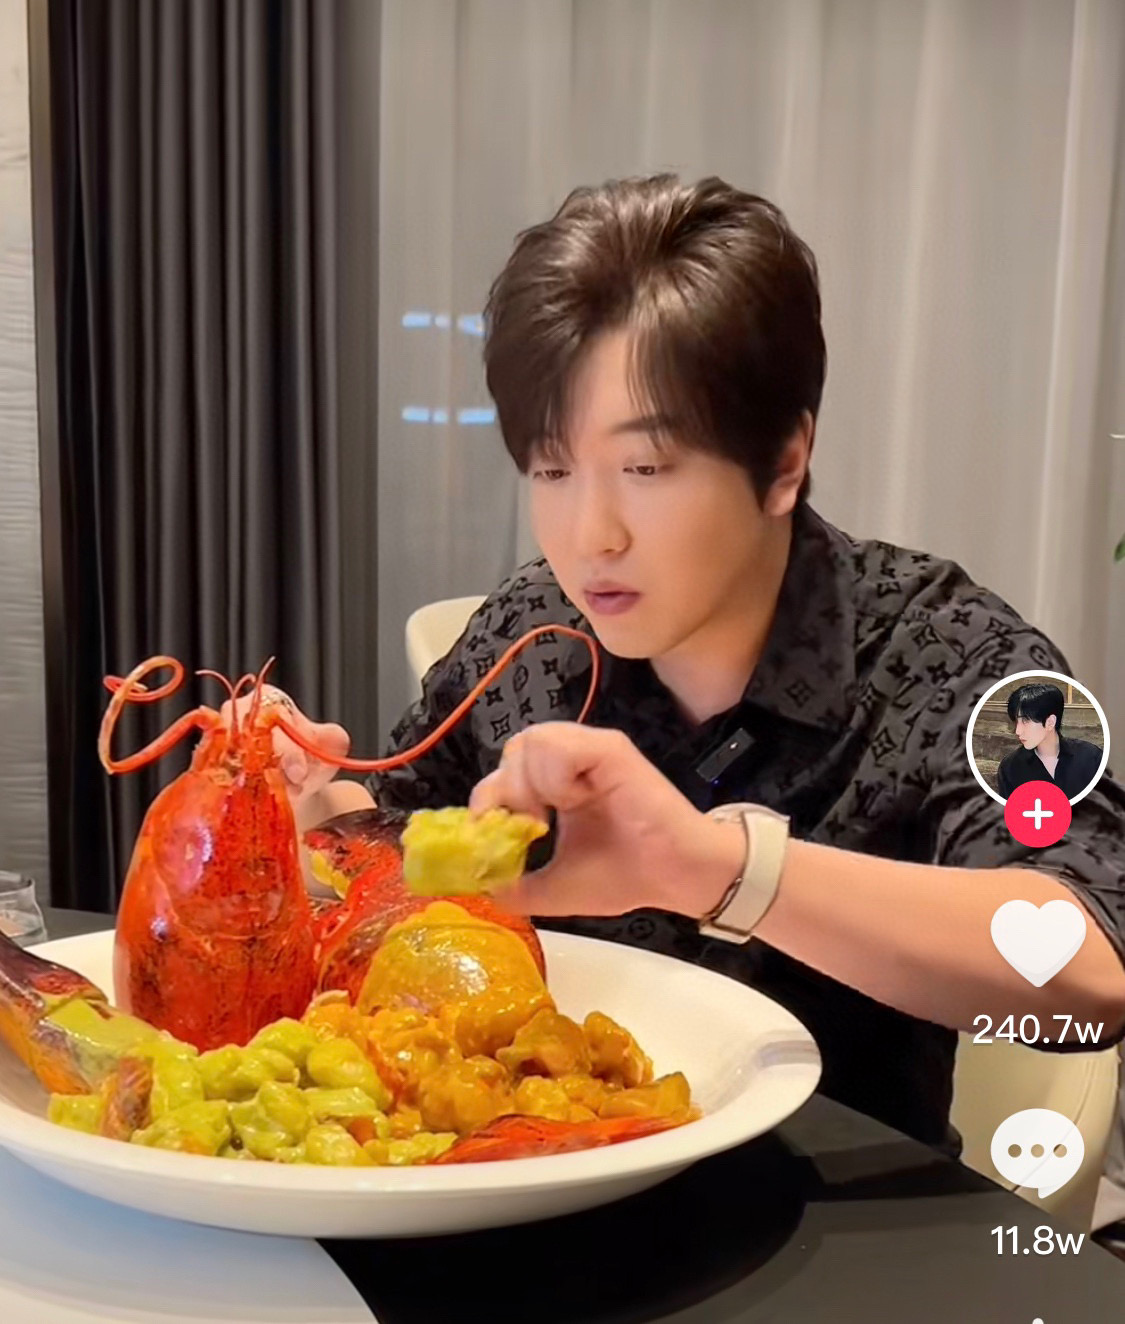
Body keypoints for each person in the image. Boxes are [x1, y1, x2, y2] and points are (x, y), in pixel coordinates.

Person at [248, 175, 1125, 1155]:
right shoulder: (533, 630)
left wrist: (716, 869)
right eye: (551, 469)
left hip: (832, 1205)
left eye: (645, 469)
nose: (592, 534)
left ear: (783, 461)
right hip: (529, 1178)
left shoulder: (953, 649)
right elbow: (394, 835)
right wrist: (307, 799)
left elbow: (1092, 962)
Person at [996, 682, 1104, 799]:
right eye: (1016, 721)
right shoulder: (1010, 767)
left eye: (1025, 721)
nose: (1018, 731)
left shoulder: (1091, 757)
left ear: (1050, 722)